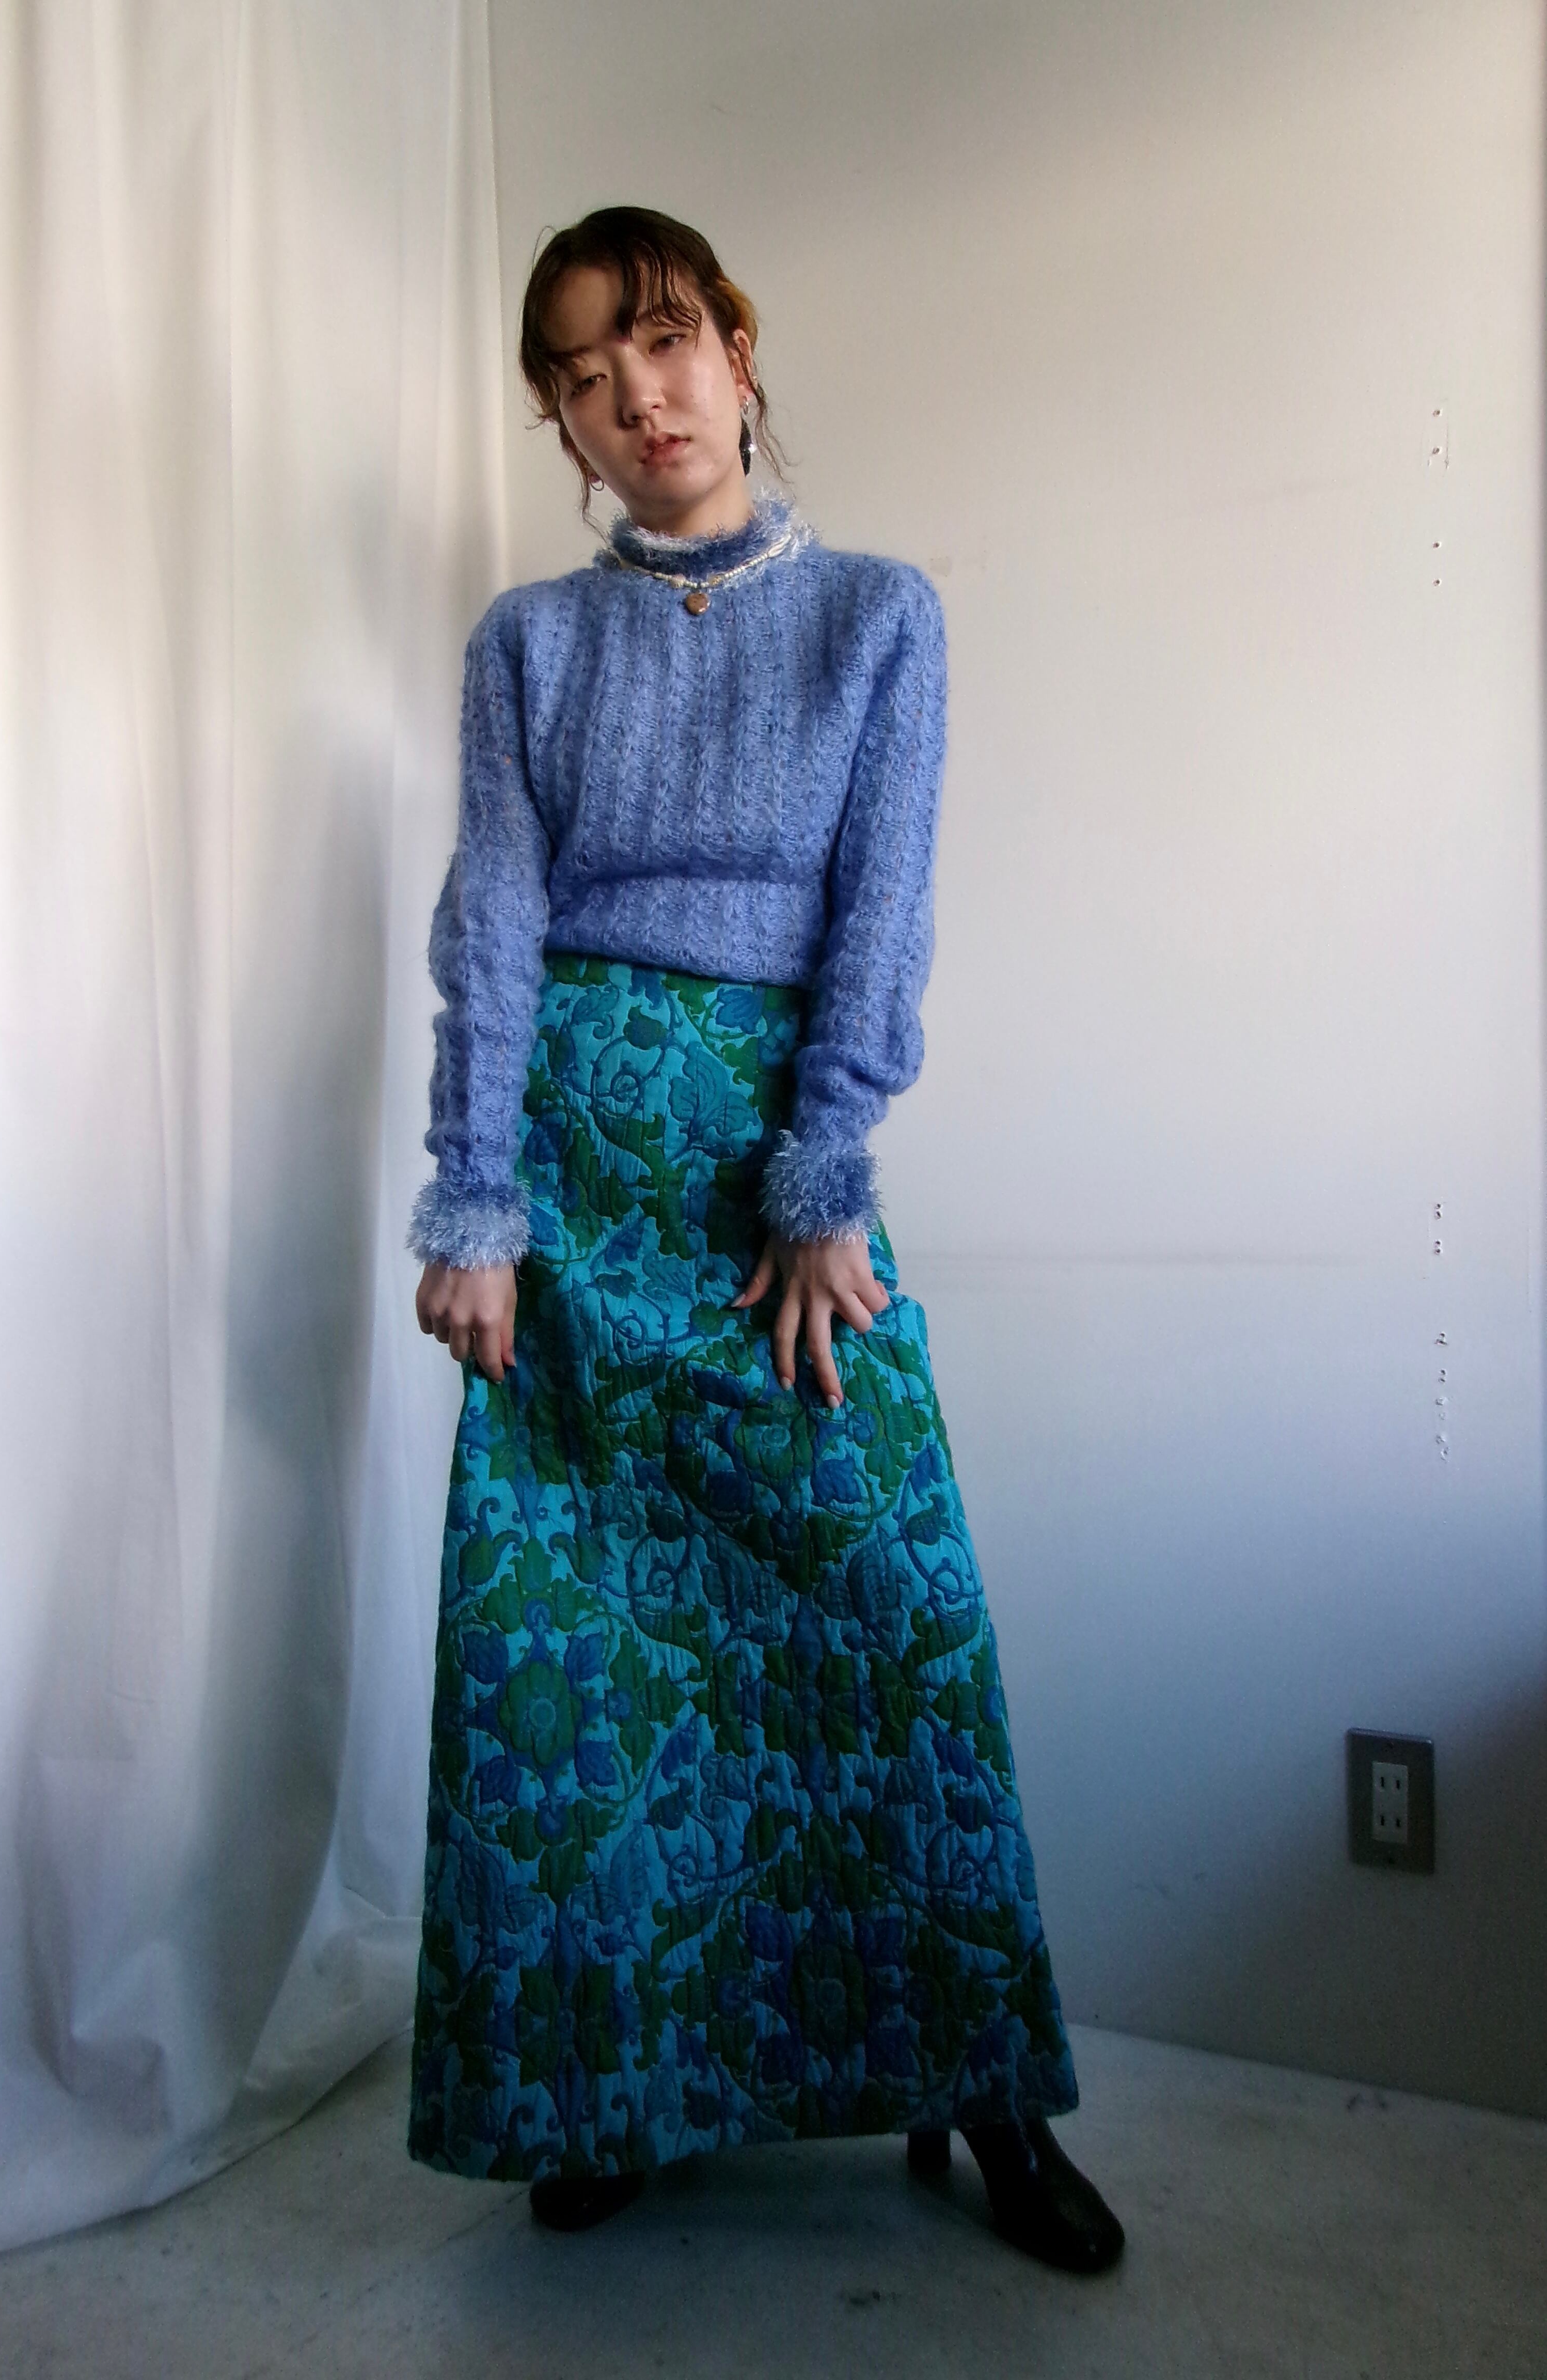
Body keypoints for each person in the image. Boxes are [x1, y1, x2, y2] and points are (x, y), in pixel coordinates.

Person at [404, 205, 1124, 2274]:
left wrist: (821, 1186)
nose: (634, 397)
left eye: (660, 341)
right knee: (586, 1657)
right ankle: (608, 2083)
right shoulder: (524, 648)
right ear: (559, 423)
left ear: (733, 344)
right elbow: (494, 928)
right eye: (581, 376)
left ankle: (982, 2089)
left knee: (897, 1629)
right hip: (575, 1190)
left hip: (768, 1192)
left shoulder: (881, 619)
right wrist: (475, 1200)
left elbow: (881, 916)